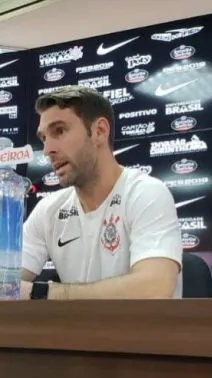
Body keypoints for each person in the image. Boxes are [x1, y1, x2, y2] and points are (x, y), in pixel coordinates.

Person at [19, 86, 182, 300]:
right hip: (77, 333)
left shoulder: (145, 193)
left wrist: (41, 293)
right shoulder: (49, 209)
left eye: (59, 131)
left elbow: (154, 289)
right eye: (44, 138)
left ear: (99, 132)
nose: (48, 149)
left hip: (144, 333)